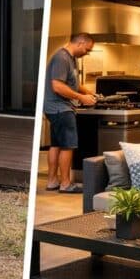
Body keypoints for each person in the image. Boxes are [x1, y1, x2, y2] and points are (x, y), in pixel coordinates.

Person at [43, 33, 96, 193]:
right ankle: (66, 184)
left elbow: (73, 83)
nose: (87, 53)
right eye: (87, 49)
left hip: (58, 108)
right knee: (68, 146)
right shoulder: (61, 58)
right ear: (80, 43)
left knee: (56, 145)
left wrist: (89, 93)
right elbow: (57, 86)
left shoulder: (71, 58)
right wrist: (81, 98)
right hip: (61, 108)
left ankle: (52, 181)